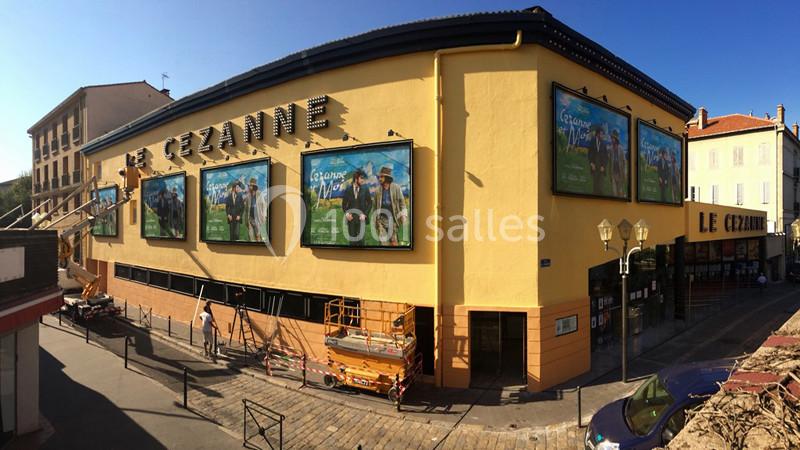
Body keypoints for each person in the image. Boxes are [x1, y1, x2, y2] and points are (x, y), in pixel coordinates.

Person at [372, 165, 407, 246]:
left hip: (393, 220)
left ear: (387, 178)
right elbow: (374, 207)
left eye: (381, 177)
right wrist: (375, 221)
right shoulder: (377, 190)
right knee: (383, 243)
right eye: (379, 177)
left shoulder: (396, 188)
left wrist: (404, 215)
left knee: (394, 243)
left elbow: (402, 203)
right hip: (381, 221)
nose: (379, 179)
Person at [342, 169, 371, 246]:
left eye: (363, 178)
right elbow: (344, 205)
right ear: (356, 178)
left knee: (361, 242)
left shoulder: (365, 189)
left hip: (361, 219)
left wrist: (364, 214)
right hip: (351, 219)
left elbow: (370, 203)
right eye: (361, 178)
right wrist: (347, 214)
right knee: (352, 242)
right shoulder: (348, 189)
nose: (363, 180)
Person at [587, 125, 608, 195]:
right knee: (595, 184)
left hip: (601, 167)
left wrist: (603, 166)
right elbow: (589, 153)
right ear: (597, 134)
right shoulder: (592, 141)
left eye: (603, 134)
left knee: (601, 185)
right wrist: (591, 163)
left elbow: (606, 157)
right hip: (594, 165)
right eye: (601, 134)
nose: (602, 136)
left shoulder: (604, 143)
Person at [243, 178, 262, 242]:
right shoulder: (248, 196)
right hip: (250, 218)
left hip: (257, 218)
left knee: (258, 235)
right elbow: (246, 209)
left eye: (250, 186)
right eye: (249, 186)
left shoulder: (259, 194)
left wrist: (263, 216)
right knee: (250, 236)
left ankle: (259, 247)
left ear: (254, 186)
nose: (249, 187)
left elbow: (263, 205)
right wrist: (246, 220)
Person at [608, 129, 626, 197]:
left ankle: (622, 196)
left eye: (613, 138)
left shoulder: (621, 149)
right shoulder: (610, 149)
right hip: (613, 173)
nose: (611, 139)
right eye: (611, 138)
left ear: (616, 139)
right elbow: (608, 158)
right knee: (614, 192)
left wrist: (624, 173)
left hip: (619, 173)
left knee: (620, 191)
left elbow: (624, 162)